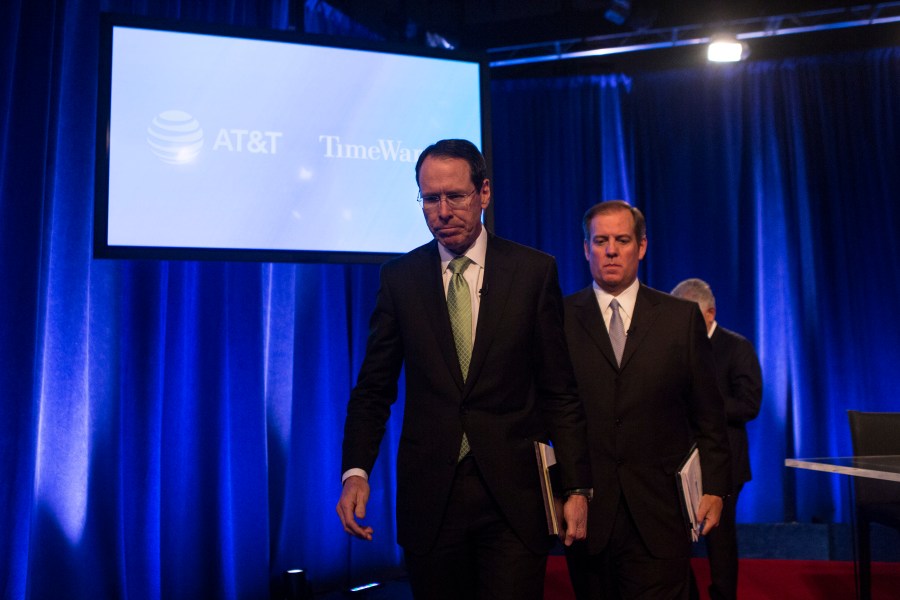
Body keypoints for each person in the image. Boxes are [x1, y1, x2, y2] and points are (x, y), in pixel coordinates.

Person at [336, 139, 592, 600]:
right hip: (432, 497)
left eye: (455, 196)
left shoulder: (533, 273)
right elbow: (374, 388)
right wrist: (356, 470)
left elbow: (560, 391)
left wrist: (576, 487)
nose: (443, 211)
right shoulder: (400, 279)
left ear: (484, 194)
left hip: (514, 499)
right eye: (430, 199)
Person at [563, 200, 732, 599]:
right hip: (588, 514)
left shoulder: (680, 318)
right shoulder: (558, 317)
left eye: (622, 240)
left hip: (662, 513)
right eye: (600, 240)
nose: (611, 250)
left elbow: (709, 414)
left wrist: (716, 489)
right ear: (586, 249)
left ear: (641, 247)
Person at [671, 278, 763, 600]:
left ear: (710, 313)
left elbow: (749, 405)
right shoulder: (672, 347)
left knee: (720, 539)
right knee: (673, 538)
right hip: (677, 459)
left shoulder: (737, 347)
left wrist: (705, 403)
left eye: (689, 316)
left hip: (725, 460)